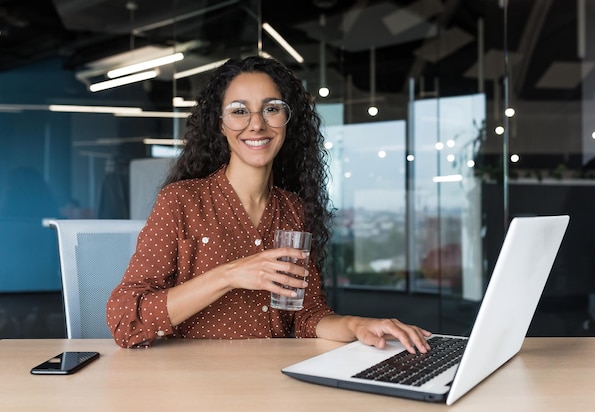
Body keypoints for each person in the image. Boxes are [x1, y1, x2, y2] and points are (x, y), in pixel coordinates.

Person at [106, 55, 432, 353]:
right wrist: (229, 275)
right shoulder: (180, 201)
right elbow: (125, 320)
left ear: (288, 120)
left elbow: (306, 317)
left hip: (273, 382)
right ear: (220, 123)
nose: (257, 124)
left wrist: (357, 325)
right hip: (191, 385)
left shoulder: (294, 211)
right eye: (239, 111)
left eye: (271, 108)